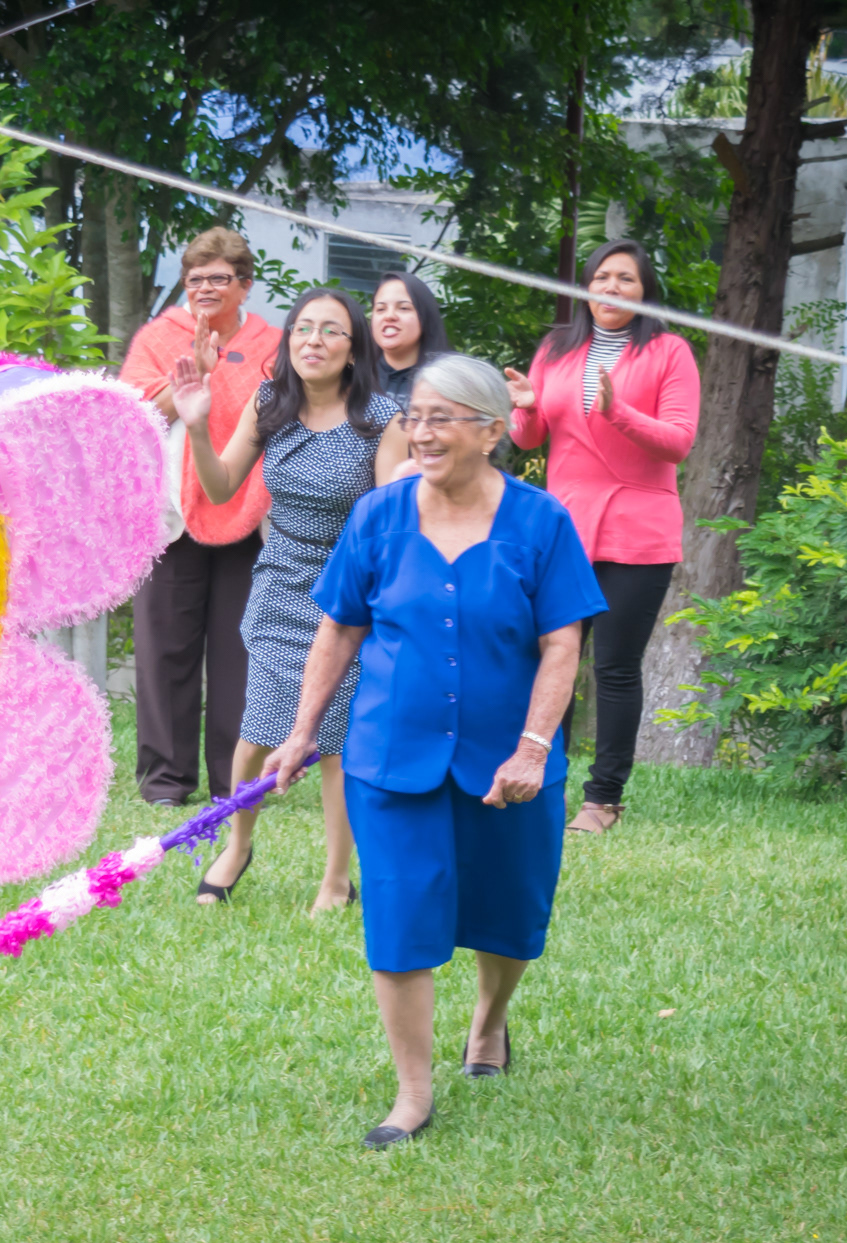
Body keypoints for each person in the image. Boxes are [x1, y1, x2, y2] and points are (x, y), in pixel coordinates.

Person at [263, 355, 605, 1148]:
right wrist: (302, 731)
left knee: (509, 912)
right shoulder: (378, 516)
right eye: (414, 416)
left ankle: (489, 1019)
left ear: (491, 432)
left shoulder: (541, 521)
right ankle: (412, 1094)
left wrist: (533, 748)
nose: (421, 432)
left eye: (442, 418)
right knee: (398, 915)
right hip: (391, 754)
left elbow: (562, 644)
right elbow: (339, 628)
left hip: (508, 762)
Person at [169, 288, 408, 912]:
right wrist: (196, 425)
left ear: (353, 350)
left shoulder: (382, 418)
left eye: (330, 331)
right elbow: (221, 488)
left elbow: (393, 520)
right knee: (256, 731)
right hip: (280, 584)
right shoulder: (270, 402)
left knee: (335, 743)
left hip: (352, 593)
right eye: (302, 328)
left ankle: (336, 878)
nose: (313, 341)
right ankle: (237, 844)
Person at [504, 239, 698, 835]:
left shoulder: (669, 351)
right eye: (601, 277)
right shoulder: (556, 348)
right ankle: (541, 782)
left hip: (638, 529)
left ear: (645, 292)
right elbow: (531, 437)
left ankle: (603, 799)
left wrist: (618, 412)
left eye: (626, 279)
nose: (611, 288)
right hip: (565, 527)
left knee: (613, 667)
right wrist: (525, 407)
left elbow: (678, 441)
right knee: (550, 658)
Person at [118, 228, 284, 806]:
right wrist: (192, 374)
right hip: (170, 517)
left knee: (242, 651)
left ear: (245, 285)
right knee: (164, 650)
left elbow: (289, 414)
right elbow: (134, 417)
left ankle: (234, 782)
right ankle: (165, 781)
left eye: (219, 278)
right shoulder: (158, 338)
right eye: (196, 278)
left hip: (250, 515)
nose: (206, 288)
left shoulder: (272, 344)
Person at [370, 271, 452, 408]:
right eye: (380, 309)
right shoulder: (353, 375)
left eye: (403, 308)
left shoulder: (450, 380)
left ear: (425, 316)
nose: (389, 316)